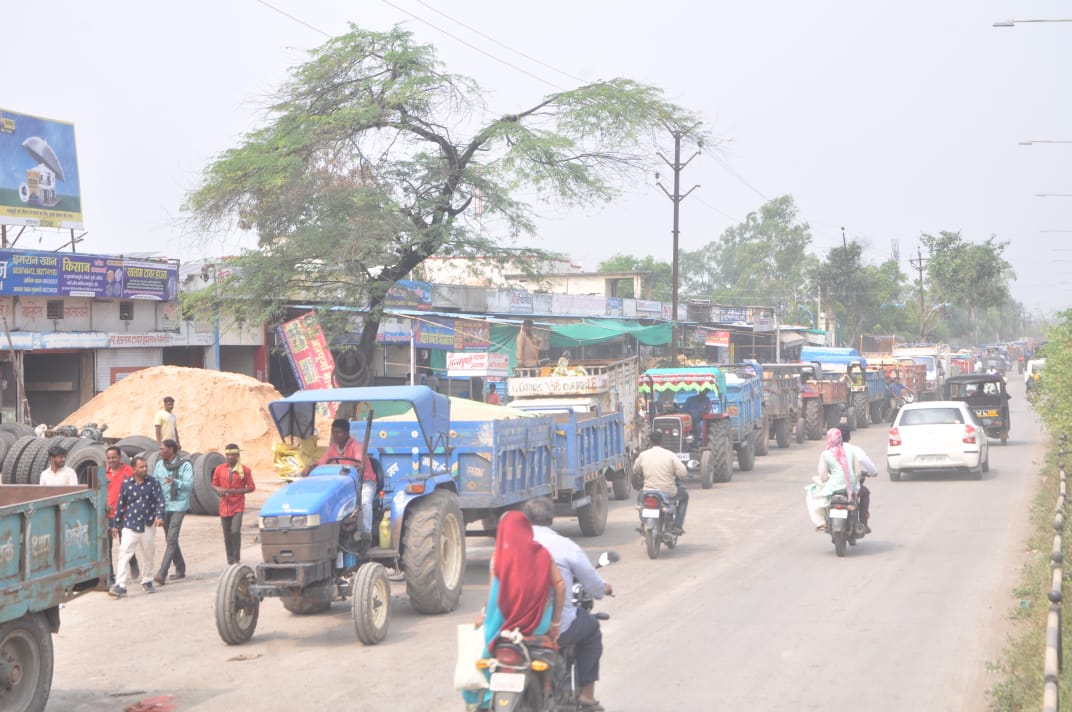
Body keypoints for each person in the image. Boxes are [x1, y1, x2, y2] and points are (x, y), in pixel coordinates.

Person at [464, 511, 565, 711]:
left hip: (502, 625)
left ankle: (481, 700)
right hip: (537, 625)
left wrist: (484, 615)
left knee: (479, 649)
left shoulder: (499, 558)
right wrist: (555, 624)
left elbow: (494, 594)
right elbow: (560, 586)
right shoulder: (542, 554)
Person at [524, 497, 612, 712]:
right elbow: (586, 583)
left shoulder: (509, 547)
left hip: (513, 626)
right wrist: (603, 589)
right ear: (552, 520)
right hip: (555, 626)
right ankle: (586, 695)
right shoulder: (563, 546)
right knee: (591, 630)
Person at [305, 418, 375, 541]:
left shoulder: (356, 446)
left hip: (363, 482)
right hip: (345, 485)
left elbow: (359, 463)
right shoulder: (333, 448)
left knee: (365, 502)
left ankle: (366, 534)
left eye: (339, 432)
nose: (335, 435)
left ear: (347, 433)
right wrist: (311, 467)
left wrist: (350, 467)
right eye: (333, 432)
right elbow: (322, 462)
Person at [110, 456, 165, 597]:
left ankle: (147, 580)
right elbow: (120, 506)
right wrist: (116, 525)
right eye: (141, 467)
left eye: (145, 466)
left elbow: (160, 501)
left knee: (148, 554)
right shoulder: (126, 484)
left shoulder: (153, 483)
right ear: (134, 469)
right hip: (130, 525)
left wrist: (160, 516)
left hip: (148, 524)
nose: (145, 469)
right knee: (124, 553)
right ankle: (120, 585)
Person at [632, 430, 689, 535]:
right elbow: (683, 472)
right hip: (667, 491)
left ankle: (643, 523)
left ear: (650, 442)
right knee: (684, 495)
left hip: (648, 491)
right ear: (662, 442)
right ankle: (677, 526)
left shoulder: (643, 455)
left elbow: (635, 470)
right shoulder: (670, 455)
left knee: (641, 502)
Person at [153, 439, 192, 585]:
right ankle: (180, 568)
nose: (160, 451)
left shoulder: (185, 465)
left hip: (179, 505)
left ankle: (162, 573)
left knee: (171, 539)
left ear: (171, 450)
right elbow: (155, 485)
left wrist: (175, 482)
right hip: (164, 506)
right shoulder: (159, 465)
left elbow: (189, 486)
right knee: (171, 539)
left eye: (162, 449)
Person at [804, 428, 859, 532]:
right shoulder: (850, 450)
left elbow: (823, 476)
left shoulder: (826, 453)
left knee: (810, 494)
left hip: (835, 487)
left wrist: (821, 479)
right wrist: (854, 484)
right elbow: (858, 472)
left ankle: (821, 522)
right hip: (850, 487)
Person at [212, 443, 256, 565]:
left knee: (235, 531)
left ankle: (236, 557)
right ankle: (230, 558)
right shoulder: (219, 469)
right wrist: (218, 490)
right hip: (224, 505)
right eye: (228, 455)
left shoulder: (245, 470)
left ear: (238, 456)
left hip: (238, 505)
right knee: (226, 534)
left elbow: (251, 487)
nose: (230, 457)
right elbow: (214, 484)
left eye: (233, 455)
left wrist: (236, 491)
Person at [104, 446, 139, 581]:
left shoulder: (129, 472)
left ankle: (133, 561)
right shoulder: (103, 474)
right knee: (107, 547)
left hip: (125, 514)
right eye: (109, 458)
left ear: (120, 457)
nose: (111, 460)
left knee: (125, 544)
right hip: (108, 515)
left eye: (114, 457)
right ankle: (110, 575)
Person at [838, 425, 877, 534]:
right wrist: (873, 473)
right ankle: (863, 523)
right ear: (849, 436)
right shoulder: (854, 450)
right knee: (865, 492)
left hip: (833, 488)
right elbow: (870, 468)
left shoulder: (830, 451)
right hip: (851, 488)